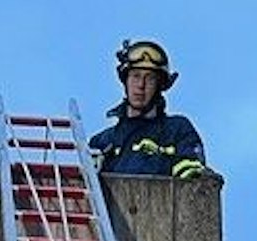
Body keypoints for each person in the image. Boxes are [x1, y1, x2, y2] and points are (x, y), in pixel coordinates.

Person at [89, 38, 211, 179]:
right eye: (135, 76)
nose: (141, 85)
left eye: (150, 78)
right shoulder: (103, 142)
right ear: (125, 81)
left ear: (160, 86)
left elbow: (191, 183)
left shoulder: (177, 131)